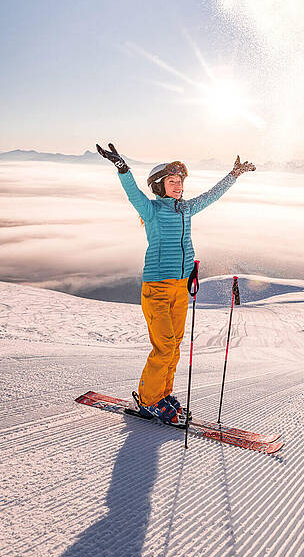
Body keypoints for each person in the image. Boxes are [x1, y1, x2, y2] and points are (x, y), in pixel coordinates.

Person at [96, 143, 255, 423]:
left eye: (180, 181)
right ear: (159, 186)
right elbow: (133, 194)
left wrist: (234, 175)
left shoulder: (187, 209)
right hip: (156, 287)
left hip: (181, 287)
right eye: (172, 182)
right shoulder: (152, 210)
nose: (179, 186)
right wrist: (123, 169)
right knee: (164, 346)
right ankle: (148, 400)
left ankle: (162, 394)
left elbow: (212, 195)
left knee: (175, 344)